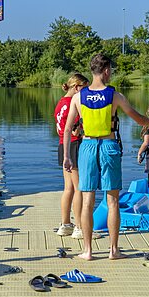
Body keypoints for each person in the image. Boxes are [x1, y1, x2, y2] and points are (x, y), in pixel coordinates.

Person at [62, 53, 149, 260]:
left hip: (87, 146)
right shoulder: (114, 95)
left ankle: (87, 251)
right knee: (113, 201)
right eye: (111, 70)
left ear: (92, 71)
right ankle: (113, 250)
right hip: (109, 145)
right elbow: (137, 118)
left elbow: (67, 129)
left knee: (88, 200)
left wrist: (66, 156)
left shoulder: (78, 97)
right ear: (106, 70)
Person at [53, 73, 88, 238]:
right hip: (74, 145)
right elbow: (75, 129)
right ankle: (80, 228)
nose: (86, 92)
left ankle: (65, 224)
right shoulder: (74, 103)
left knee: (68, 188)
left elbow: (58, 128)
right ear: (77, 87)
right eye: (84, 88)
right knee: (79, 188)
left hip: (62, 145)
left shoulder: (60, 103)